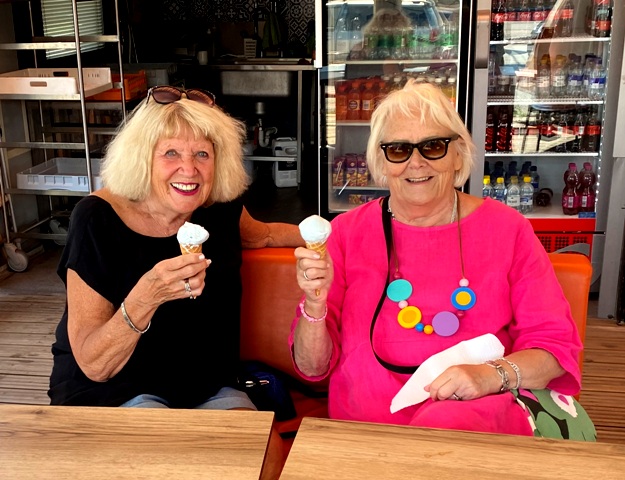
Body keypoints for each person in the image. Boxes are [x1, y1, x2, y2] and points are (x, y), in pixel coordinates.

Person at [291, 81, 595, 439]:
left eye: (433, 146)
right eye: (398, 149)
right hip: (365, 432)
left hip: (475, 427)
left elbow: (554, 350)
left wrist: (489, 375)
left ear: (457, 155)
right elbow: (313, 368)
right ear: (382, 162)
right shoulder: (346, 234)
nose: (415, 162)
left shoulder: (507, 229)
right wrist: (315, 304)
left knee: (447, 426)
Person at [48, 86, 303, 477]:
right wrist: (146, 297)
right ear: (142, 158)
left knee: (262, 459)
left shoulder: (219, 208)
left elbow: (264, 236)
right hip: (118, 388)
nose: (189, 169)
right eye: (170, 153)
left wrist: (343, 236)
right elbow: (94, 364)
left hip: (207, 384)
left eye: (202, 154)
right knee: (166, 463)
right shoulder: (97, 219)